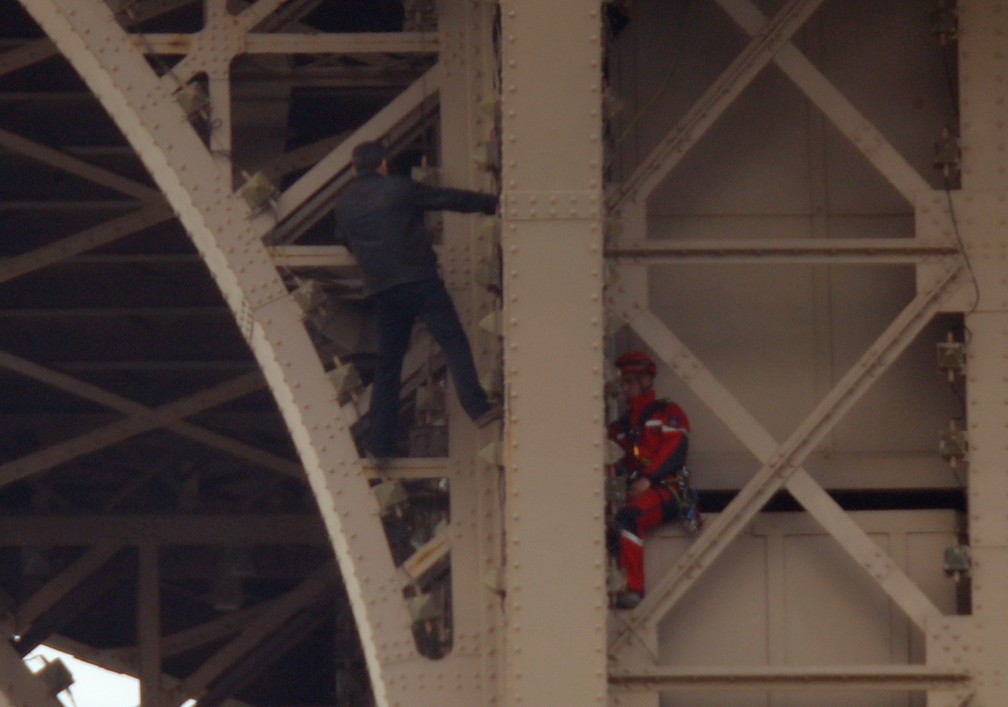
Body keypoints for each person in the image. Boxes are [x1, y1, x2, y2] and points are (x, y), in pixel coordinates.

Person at [334, 141, 501, 463]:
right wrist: (490, 202)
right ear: (384, 164)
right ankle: (477, 408)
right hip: (420, 282)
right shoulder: (400, 189)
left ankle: (379, 446)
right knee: (453, 342)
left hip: (383, 289)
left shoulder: (345, 204)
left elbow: (344, 238)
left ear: (355, 170)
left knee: (388, 367)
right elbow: (448, 198)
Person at [608, 351, 701, 609]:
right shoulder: (625, 425)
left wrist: (648, 479)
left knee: (630, 517)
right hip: (643, 488)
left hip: (667, 490)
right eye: (623, 383)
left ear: (645, 381)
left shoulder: (667, 413)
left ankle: (633, 588)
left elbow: (675, 450)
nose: (625, 389)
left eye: (630, 382)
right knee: (613, 524)